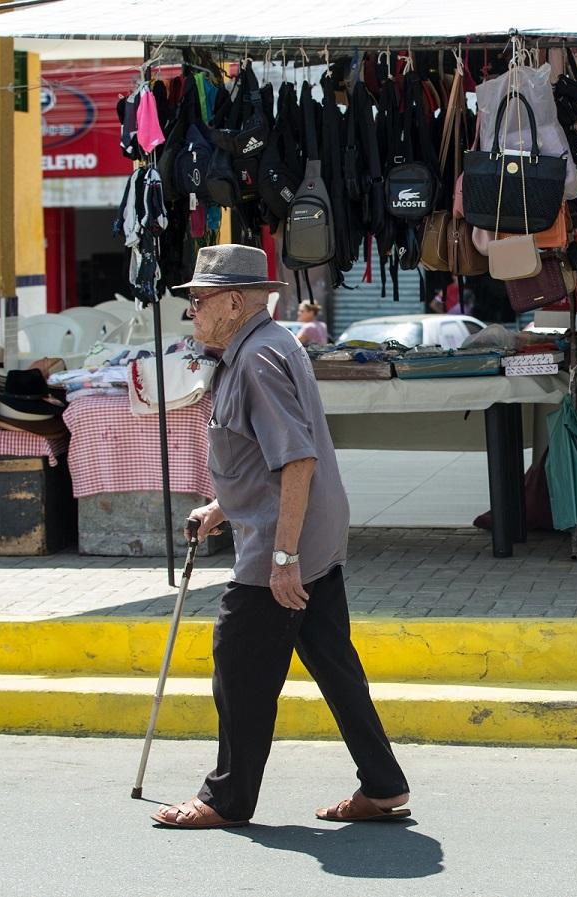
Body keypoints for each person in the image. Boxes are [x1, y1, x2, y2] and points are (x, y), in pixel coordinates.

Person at [150, 245, 410, 829]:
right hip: (306, 532)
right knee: (333, 662)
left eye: (199, 300)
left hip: (285, 544)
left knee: (238, 664)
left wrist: (284, 557)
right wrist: (222, 507)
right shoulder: (266, 344)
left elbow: (295, 460)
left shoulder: (257, 360)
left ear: (234, 301)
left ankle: (226, 798)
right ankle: (384, 785)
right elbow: (263, 458)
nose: (192, 312)